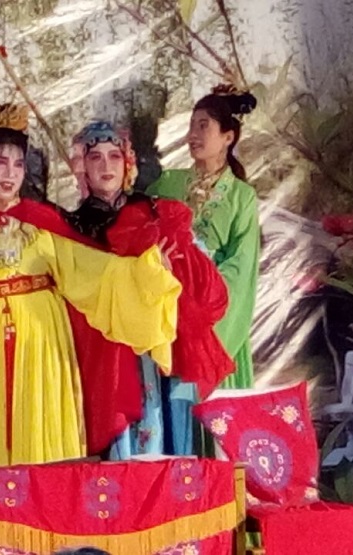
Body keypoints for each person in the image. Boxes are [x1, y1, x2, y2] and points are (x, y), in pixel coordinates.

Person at [0, 103, 181, 468]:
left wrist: (148, 271)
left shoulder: (42, 222)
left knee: (43, 430)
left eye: (18, 164)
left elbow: (96, 271)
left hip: (45, 342)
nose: (10, 174)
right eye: (0, 162)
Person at [65, 121, 233, 458]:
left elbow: (191, 259)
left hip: (163, 340)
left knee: (171, 430)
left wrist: (173, 270)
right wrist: (141, 272)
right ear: (82, 167)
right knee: (123, 441)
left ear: (127, 163)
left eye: (114, 156)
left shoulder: (153, 210)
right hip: (109, 346)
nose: (106, 166)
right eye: (95, 157)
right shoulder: (74, 227)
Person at [147, 86, 260, 389]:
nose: (192, 135)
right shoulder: (167, 184)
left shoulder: (242, 197)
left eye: (203, 126)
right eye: (191, 126)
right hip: (169, 306)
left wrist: (204, 298)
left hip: (211, 313)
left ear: (228, 137)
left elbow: (241, 264)